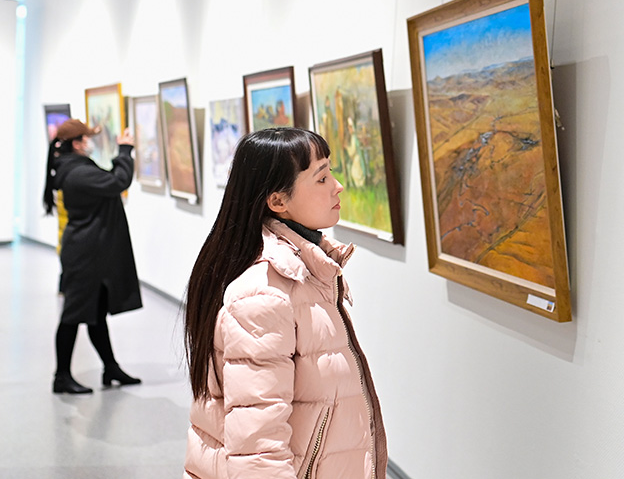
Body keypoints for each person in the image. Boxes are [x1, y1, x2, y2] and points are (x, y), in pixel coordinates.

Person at [183, 127, 387, 479]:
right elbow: (257, 449)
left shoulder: (307, 271)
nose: (337, 187)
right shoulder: (265, 295)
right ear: (277, 202)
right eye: (321, 178)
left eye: (331, 172)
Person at [43, 118, 143, 394]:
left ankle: (110, 367)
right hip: (84, 255)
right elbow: (118, 182)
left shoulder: (75, 168)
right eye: (86, 138)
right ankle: (61, 376)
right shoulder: (76, 173)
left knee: (96, 313)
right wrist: (124, 151)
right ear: (77, 144)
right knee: (73, 315)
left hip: (92, 252)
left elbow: (110, 182)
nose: (89, 142)